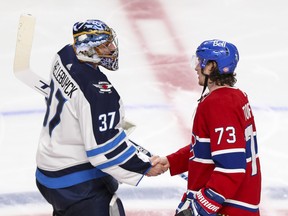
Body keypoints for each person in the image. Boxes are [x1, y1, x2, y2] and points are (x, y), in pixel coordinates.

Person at [35, 19, 165, 216]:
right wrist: (144, 167)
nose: (112, 48)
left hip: (47, 172)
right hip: (77, 185)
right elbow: (103, 153)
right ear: (87, 48)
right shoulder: (99, 92)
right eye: (105, 45)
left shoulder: (64, 55)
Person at [153, 39, 261, 215]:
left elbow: (231, 169)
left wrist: (198, 208)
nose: (196, 67)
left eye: (201, 61)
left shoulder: (219, 103)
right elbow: (213, 147)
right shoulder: (237, 97)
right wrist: (172, 161)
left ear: (212, 66)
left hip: (227, 209)